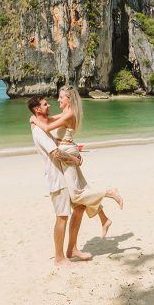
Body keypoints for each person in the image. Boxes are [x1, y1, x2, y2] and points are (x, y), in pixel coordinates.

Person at [30, 86, 123, 240]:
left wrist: (33, 119)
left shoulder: (69, 113)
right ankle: (104, 219)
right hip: (69, 149)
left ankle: (109, 192)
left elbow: (46, 126)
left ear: (69, 99)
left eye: (61, 97)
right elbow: (48, 121)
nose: (58, 100)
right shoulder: (66, 113)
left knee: (76, 194)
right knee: (83, 188)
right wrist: (36, 119)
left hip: (67, 152)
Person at [29, 96, 91, 267]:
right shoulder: (38, 131)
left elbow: (60, 142)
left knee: (80, 207)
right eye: (44, 104)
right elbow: (55, 153)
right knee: (62, 217)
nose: (49, 105)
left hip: (64, 175)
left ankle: (72, 249)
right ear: (37, 109)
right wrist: (74, 159)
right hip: (57, 179)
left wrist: (74, 149)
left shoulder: (44, 128)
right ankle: (59, 257)